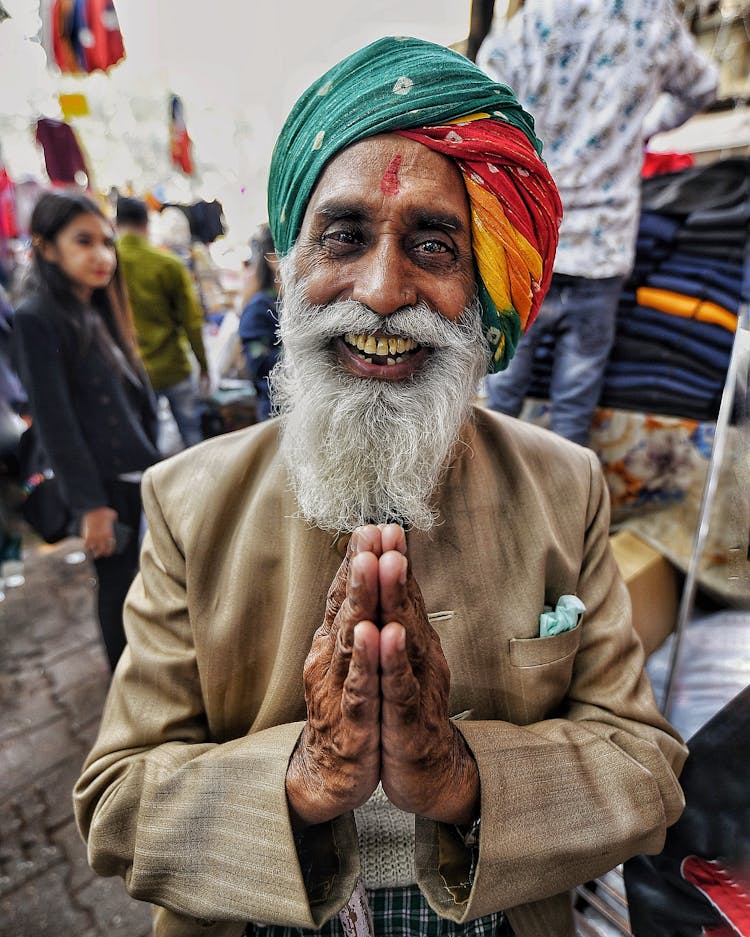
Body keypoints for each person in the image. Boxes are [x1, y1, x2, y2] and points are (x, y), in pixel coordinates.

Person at [74, 37, 687, 937]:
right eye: (345, 235)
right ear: (287, 264)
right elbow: (116, 801)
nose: (382, 289)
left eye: (433, 245)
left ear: (481, 290)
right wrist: (307, 775)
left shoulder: (567, 484)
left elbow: (646, 768)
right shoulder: (186, 499)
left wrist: (458, 772)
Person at [477, 0, 719, 445]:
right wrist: (646, 127)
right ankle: (573, 498)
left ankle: (494, 490)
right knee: (576, 395)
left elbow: (484, 93)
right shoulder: (651, 18)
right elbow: (704, 84)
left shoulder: (535, 20)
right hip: (603, 249)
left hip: (535, 239)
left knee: (504, 383)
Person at [11, 192, 159, 670]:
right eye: (83, 242)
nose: (102, 255)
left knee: (139, 581)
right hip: (103, 485)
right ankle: (125, 691)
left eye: (107, 242)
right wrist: (91, 507)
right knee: (117, 585)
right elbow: (55, 421)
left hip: (134, 472)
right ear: (46, 247)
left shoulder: (94, 307)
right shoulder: (37, 318)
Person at [115, 196, 210, 448]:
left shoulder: (107, 266)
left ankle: (155, 486)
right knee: (192, 438)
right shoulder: (168, 264)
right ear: (147, 223)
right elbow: (192, 322)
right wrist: (203, 364)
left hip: (133, 370)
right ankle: (199, 486)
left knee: (148, 440)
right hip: (173, 366)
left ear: (116, 223)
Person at [238, 224, 280, 420]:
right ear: (273, 258)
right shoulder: (260, 307)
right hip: (277, 410)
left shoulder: (292, 302)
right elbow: (259, 365)